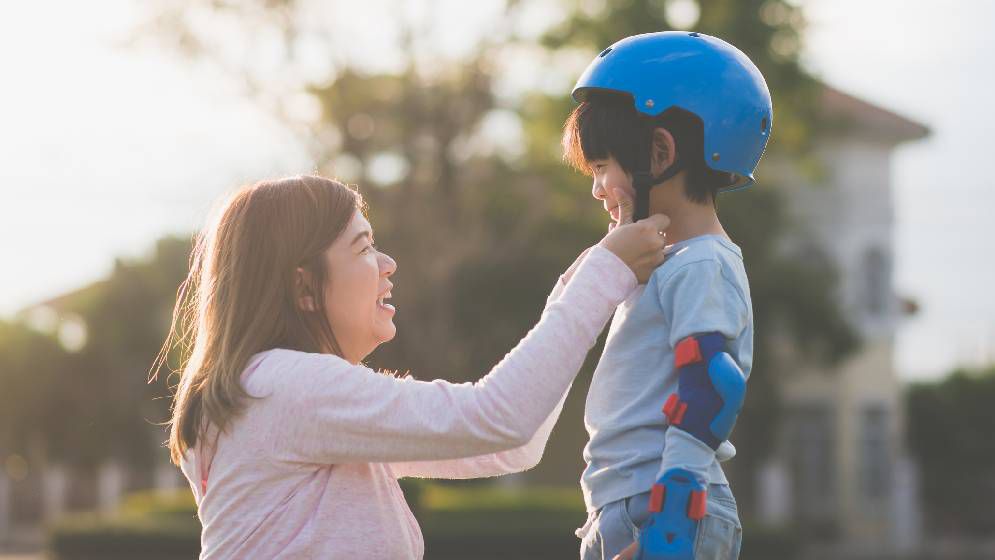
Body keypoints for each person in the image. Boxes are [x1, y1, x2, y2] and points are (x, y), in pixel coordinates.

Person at [156, 174, 670, 558]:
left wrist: (585, 279)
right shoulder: (283, 387)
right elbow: (498, 417)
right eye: (363, 247)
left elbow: (512, 441)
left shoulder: (278, 398)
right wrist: (605, 273)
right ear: (303, 288)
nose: (387, 264)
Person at [560, 31, 773, 560]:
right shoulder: (667, 263)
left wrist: (670, 526)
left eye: (603, 167)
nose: (596, 189)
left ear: (659, 152)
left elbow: (709, 388)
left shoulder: (702, 264)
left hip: (665, 508)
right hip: (629, 504)